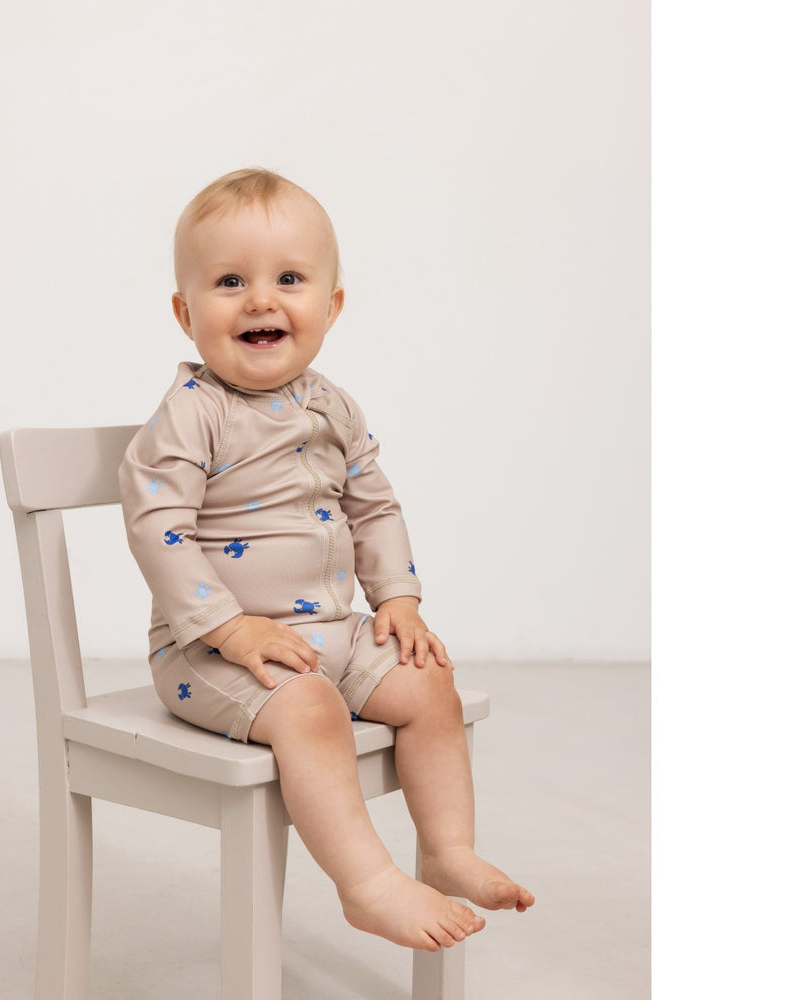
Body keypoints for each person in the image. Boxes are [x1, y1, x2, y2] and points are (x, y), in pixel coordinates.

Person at [119, 168, 534, 951]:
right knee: (309, 710)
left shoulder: (334, 406)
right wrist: (230, 628)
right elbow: (156, 526)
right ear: (184, 312)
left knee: (429, 682)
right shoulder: (191, 413)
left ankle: (447, 849)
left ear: (331, 306)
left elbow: (374, 507)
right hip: (211, 652)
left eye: (289, 279)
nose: (260, 300)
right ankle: (367, 884)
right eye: (230, 281)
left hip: (331, 633)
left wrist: (398, 599)